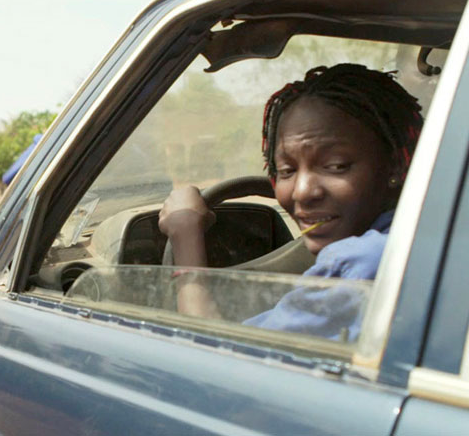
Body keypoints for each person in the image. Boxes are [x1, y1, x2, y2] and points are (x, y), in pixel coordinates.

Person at [159, 63, 423, 340]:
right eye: (286, 171)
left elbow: (213, 355)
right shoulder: (423, 235)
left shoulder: (360, 263)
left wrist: (185, 232)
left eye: (335, 166)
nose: (302, 192)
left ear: (394, 166)